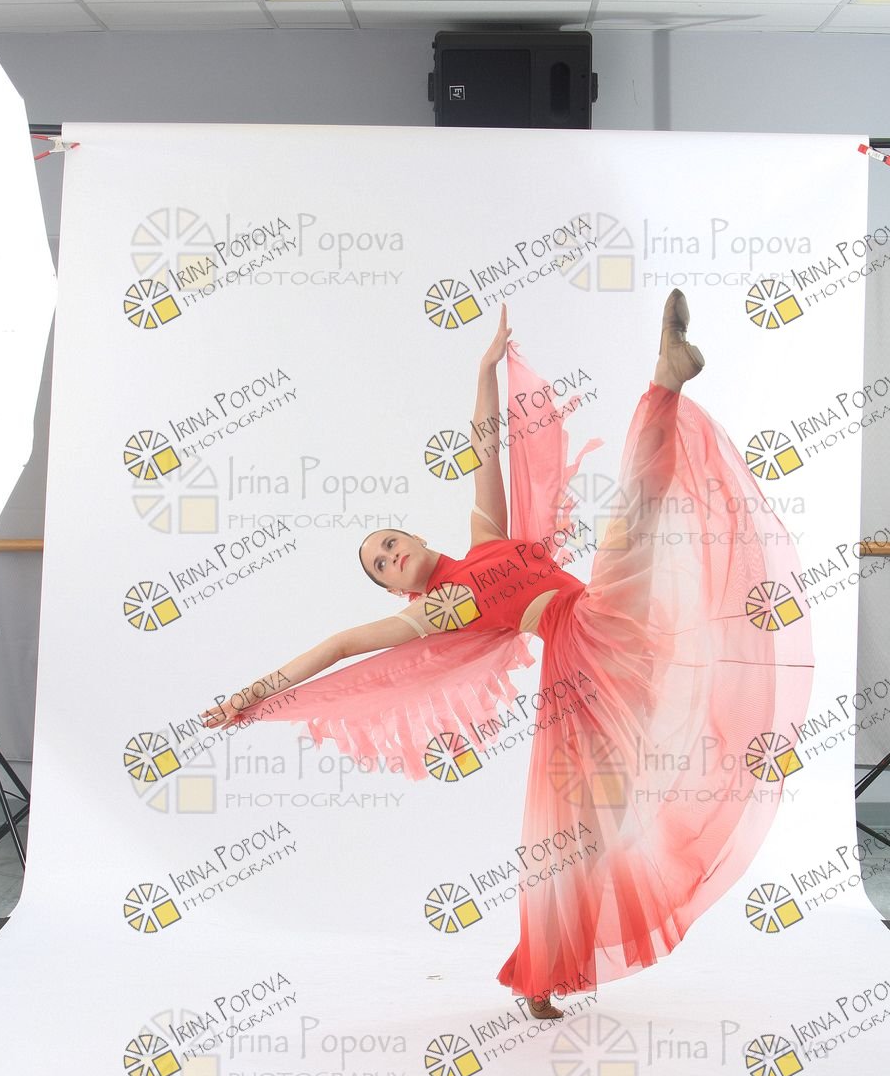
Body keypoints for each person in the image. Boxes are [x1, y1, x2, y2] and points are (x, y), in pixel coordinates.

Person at [202, 296, 813, 1021]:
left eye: (391, 541)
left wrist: (484, 370)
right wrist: (251, 694)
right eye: (382, 564)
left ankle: (667, 382)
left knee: (637, 527)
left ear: (415, 536)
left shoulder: (487, 537)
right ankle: (543, 974)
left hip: (605, 623)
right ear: (395, 588)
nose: (392, 555)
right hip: (579, 660)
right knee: (576, 833)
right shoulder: (433, 610)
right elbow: (338, 647)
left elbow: (485, 446)